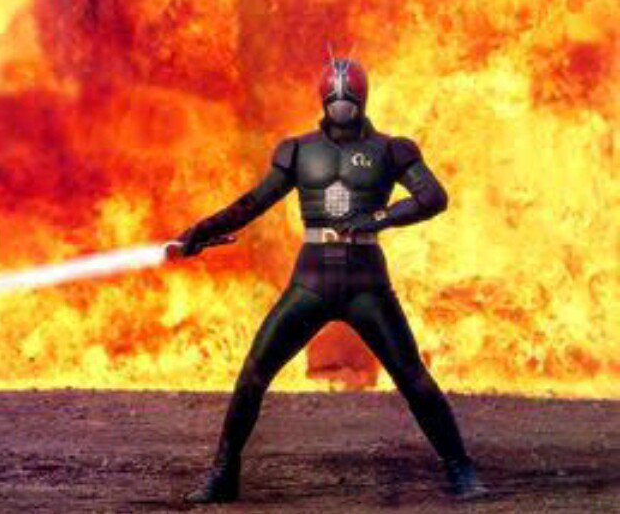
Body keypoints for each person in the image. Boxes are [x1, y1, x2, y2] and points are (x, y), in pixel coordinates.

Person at [177, 57, 488, 503]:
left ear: (363, 98)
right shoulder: (299, 151)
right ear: (323, 99)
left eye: (349, 96)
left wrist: (378, 218)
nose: (342, 103)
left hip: (365, 281)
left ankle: (461, 468)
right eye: (335, 96)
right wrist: (202, 231)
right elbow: (253, 203)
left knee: (412, 377)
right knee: (253, 373)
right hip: (312, 280)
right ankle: (224, 474)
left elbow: (433, 197)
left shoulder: (390, 150)